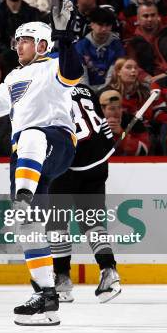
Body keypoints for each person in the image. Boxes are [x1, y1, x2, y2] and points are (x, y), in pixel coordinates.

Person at [0, 0, 83, 326]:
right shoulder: (13, 77)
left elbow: (73, 72)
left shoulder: (53, 64)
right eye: (17, 40)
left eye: (24, 39)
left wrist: (66, 39)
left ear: (42, 43)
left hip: (54, 142)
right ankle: (45, 296)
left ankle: (23, 199)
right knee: (29, 228)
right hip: (27, 158)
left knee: (31, 136)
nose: (18, 45)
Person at [48, 84, 120, 304]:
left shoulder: (45, 89)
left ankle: (61, 280)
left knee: (57, 223)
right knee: (93, 222)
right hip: (99, 160)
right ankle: (109, 272)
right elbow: (102, 126)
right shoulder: (85, 89)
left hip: (70, 161)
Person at [75, 7, 125, 89]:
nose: (104, 29)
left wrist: (102, 92)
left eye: (108, 25)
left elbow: (112, 75)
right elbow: (81, 77)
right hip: (86, 89)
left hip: (109, 89)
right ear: (92, 24)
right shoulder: (80, 46)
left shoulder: (117, 46)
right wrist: (89, 94)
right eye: (100, 25)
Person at [100, 89, 151, 155]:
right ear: (102, 109)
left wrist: (121, 134)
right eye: (112, 108)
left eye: (119, 107)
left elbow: (143, 151)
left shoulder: (132, 121)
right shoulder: (91, 122)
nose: (117, 112)